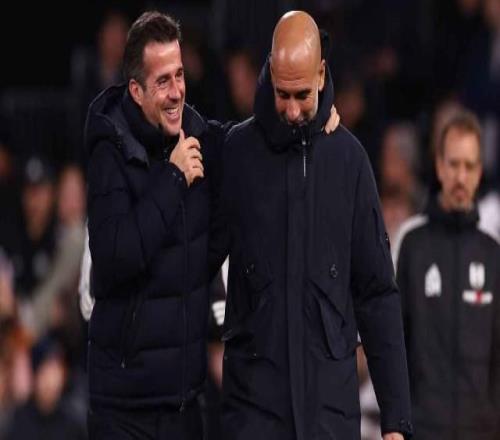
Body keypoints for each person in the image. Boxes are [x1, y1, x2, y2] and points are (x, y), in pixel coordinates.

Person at [84, 8, 340, 440]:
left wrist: (322, 105)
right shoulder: (110, 148)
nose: (176, 93)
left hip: (184, 404)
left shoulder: (199, 134)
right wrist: (173, 179)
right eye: (162, 81)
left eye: (179, 75)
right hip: (124, 409)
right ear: (136, 90)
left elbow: (260, 133)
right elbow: (113, 260)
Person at [210, 10, 412, 440]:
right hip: (253, 414)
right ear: (269, 72)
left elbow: (377, 293)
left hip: (329, 415)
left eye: (302, 94)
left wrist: (396, 420)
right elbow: (198, 264)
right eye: (282, 94)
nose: (291, 109)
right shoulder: (237, 153)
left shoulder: (349, 161)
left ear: (321, 74)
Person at [393, 110, 500, 439]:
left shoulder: (492, 252)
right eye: (453, 164)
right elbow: (395, 339)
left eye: (469, 166)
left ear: (479, 172)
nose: (460, 177)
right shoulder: (412, 243)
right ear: (439, 166)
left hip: (481, 430)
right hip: (423, 427)